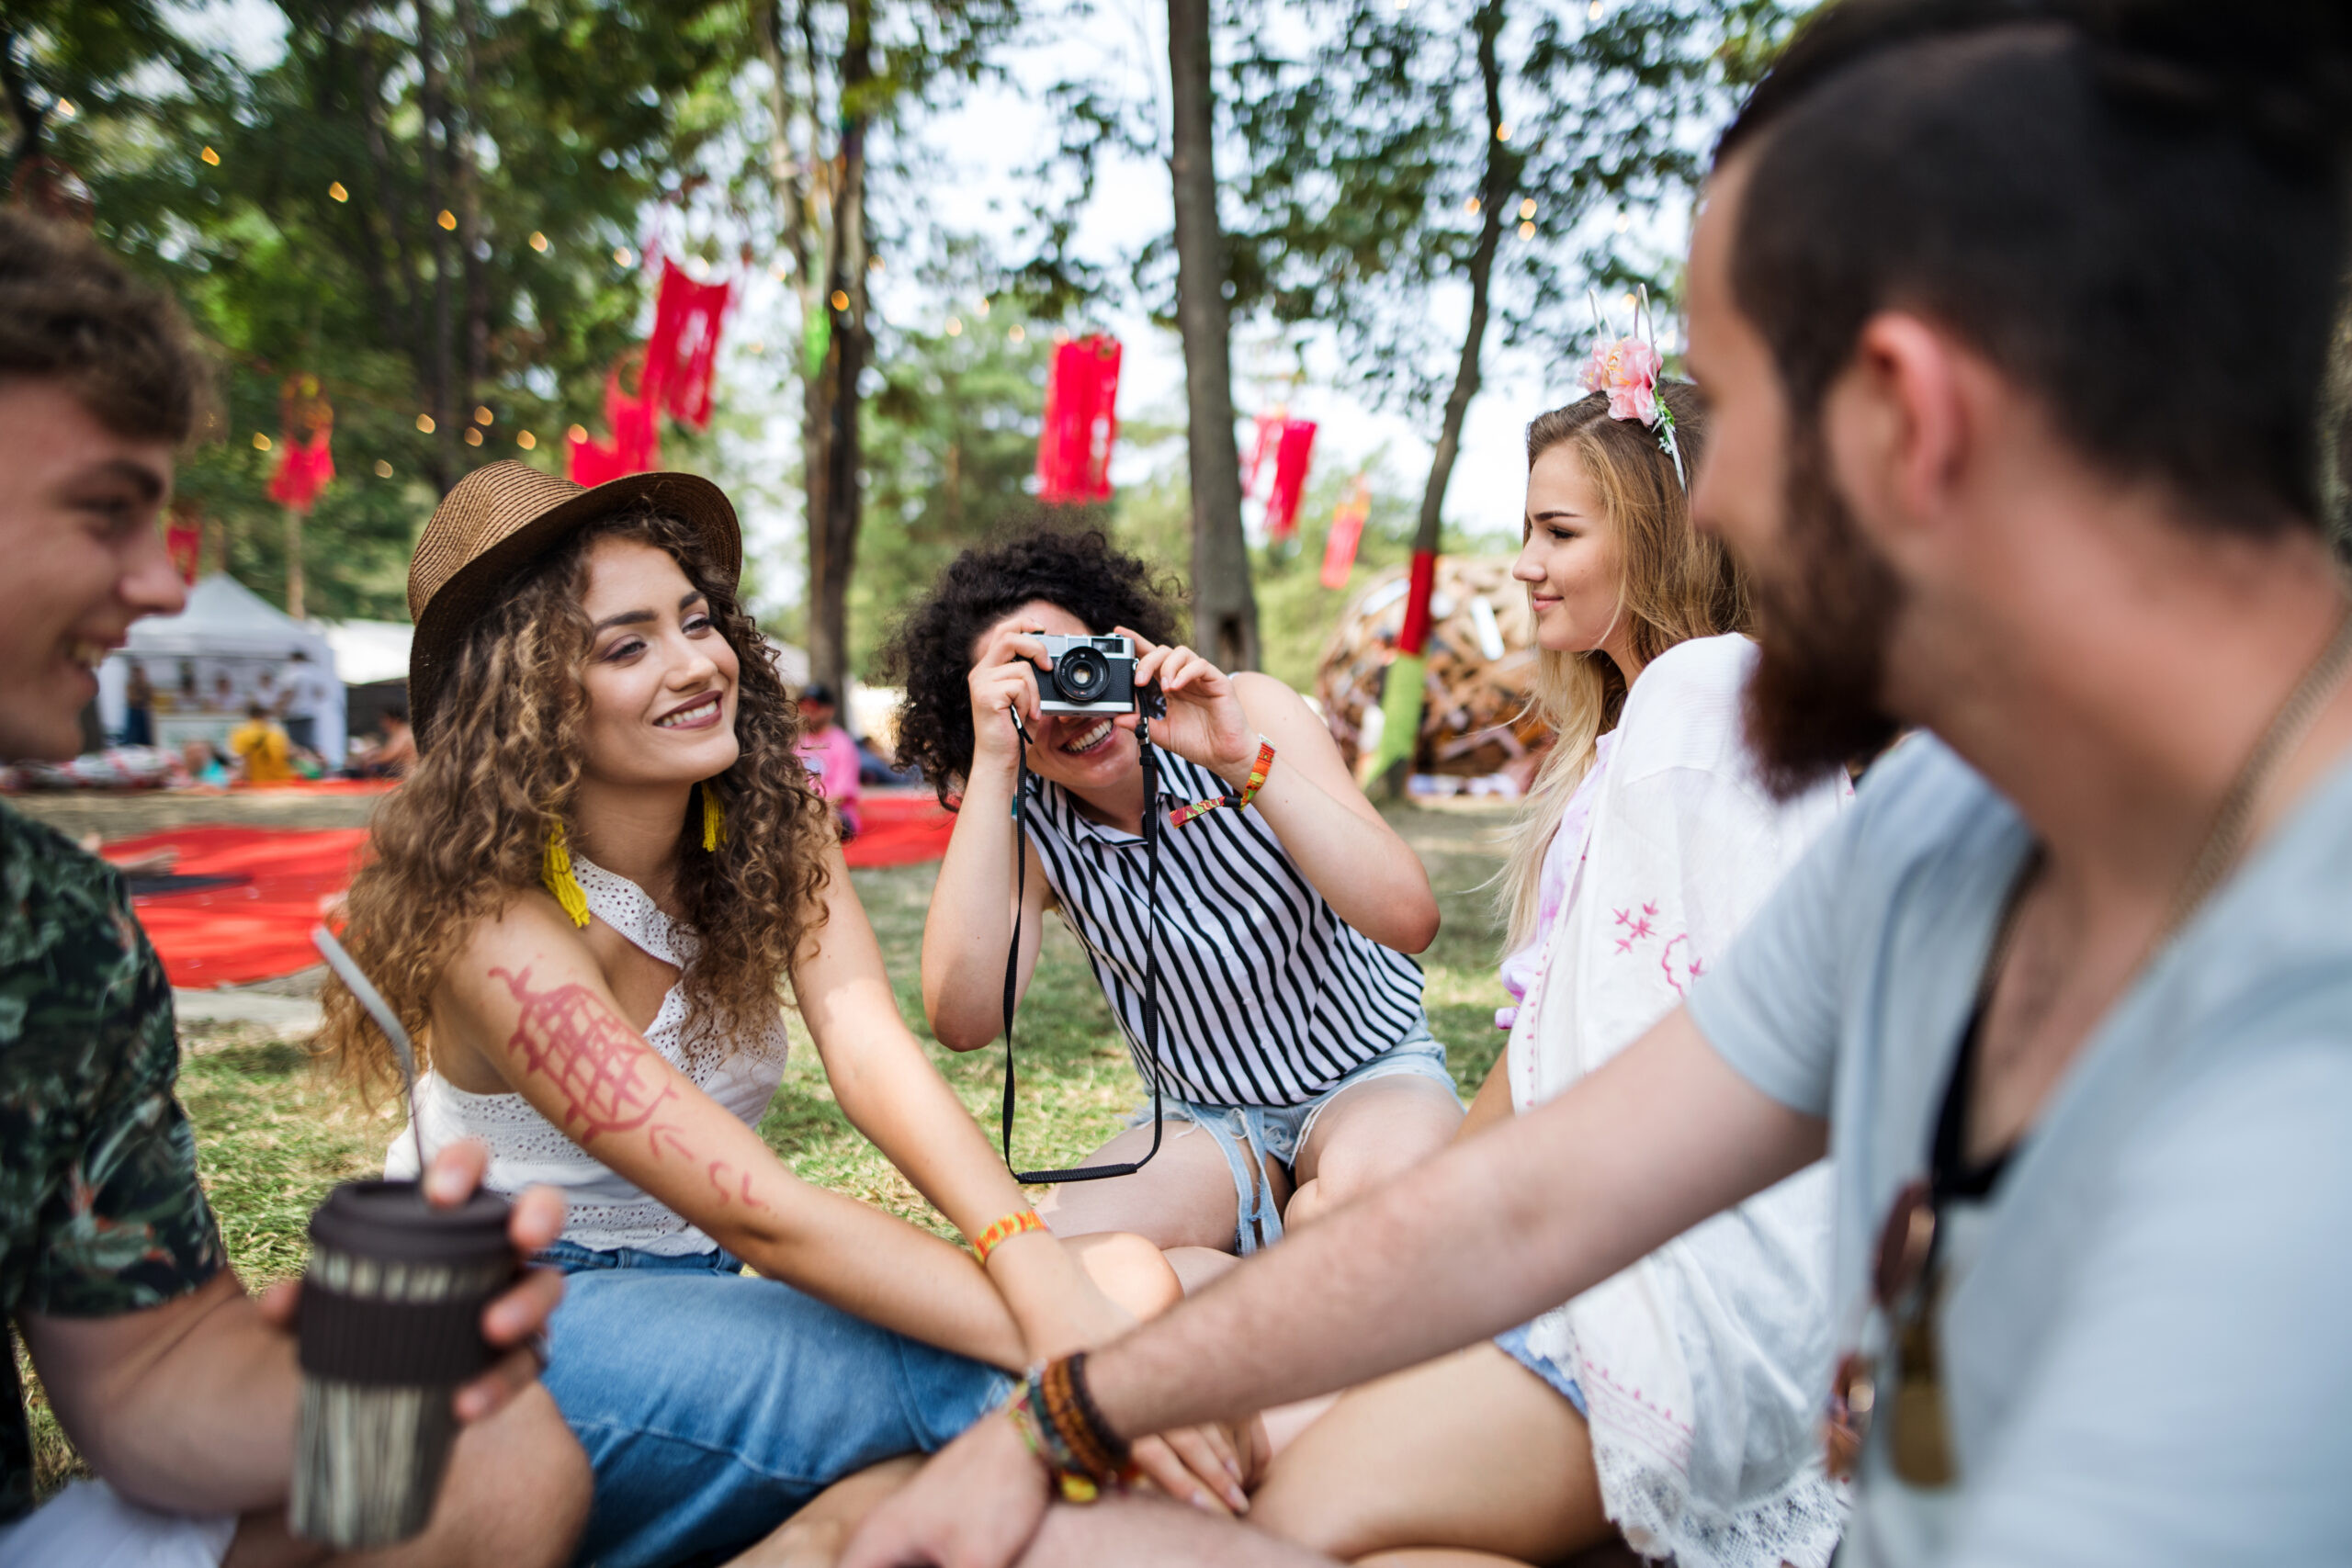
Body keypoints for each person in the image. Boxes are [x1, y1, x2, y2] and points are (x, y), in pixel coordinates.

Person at [840, 2, 2352, 1564]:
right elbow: (1536, 1193)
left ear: (1912, 413)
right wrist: (1069, 1413)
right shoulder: (1932, 831)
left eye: (1736, 411)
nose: (1722, 498)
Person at [321, 463, 1248, 1568]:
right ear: (529, 703)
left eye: (697, 620)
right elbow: (757, 1210)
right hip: (494, 1346)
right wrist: (1070, 1327)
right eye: (628, 646)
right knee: (1109, 1334)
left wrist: (1030, 1260)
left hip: (698, 1304)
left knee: (1141, 1291)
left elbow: (874, 1060)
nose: (695, 665)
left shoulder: (773, 824)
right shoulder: (488, 916)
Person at [0, 209, 582, 1568]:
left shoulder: (54, 929)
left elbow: (149, 1372)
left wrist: (373, 1369)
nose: (158, 585)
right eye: (103, 511)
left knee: (487, 1457)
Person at [1250, 384, 1849, 1568]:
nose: (1523, 565)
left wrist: (1437, 1237)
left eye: (1559, 532)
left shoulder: (1705, 692)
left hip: (1664, 1261)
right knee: (1284, 1395)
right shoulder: (1641, 732)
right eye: (1527, 528)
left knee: (1293, 1517)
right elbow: (1550, 1043)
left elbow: (1659, 1042)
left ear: (1671, 531)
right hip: (1596, 1223)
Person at [888, 529, 1453, 1285]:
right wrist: (993, 762)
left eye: (1077, 657)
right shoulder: (1029, 811)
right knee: (1042, 1270)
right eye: (1033, 678)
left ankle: (1246, 1272)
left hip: (1369, 1073)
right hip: (1204, 1122)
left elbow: (1408, 919)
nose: (1070, 696)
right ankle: (1243, 1280)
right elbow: (963, 1020)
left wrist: (1236, 759)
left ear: (1124, 646)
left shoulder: (1251, 711)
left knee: (1370, 1222)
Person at [797, 680, 864, 838]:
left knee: (823, 822)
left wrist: (812, 807)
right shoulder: (796, 742)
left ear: (829, 710)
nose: (808, 711)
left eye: (814, 706)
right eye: (803, 706)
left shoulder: (842, 742)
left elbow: (842, 794)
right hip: (802, 808)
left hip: (835, 812)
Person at [227, 701, 293, 783]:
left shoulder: (241, 731)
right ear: (265, 715)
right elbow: (289, 753)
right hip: (281, 782)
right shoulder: (277, 731)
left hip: (255, 783)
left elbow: (238, 758)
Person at [122, 661, 155, 747]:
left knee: (145, 733)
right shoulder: (130, 685)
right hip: (134, 711)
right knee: (132, 733)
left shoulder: (146, 685)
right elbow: (132, 699)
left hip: (143, 711)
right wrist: (140, 699)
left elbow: (150, 697)